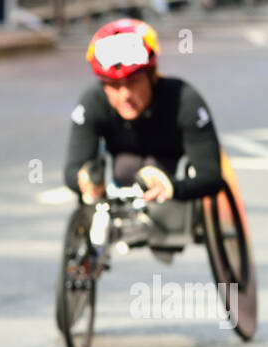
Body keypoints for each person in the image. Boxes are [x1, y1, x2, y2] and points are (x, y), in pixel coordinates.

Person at [63, 19, 224, 212]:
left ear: (152, 75)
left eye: (133, 82)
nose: (125, 95)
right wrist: (87, 182)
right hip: (121, 172)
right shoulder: (93, 101)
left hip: (171, 174)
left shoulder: (185, 99)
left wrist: (173, 187)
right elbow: (73, 170)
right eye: (114, 85)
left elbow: (211, 176)